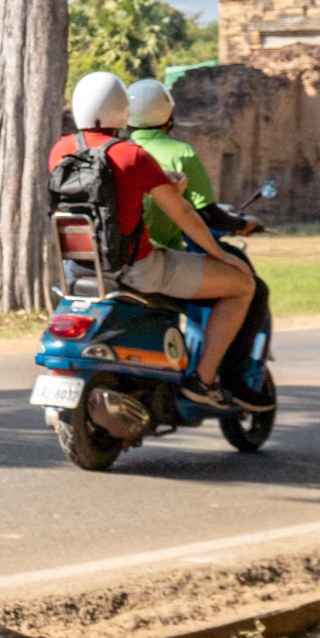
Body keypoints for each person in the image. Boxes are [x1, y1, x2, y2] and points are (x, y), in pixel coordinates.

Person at [48, 71, 258, 408]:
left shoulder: (61, 151)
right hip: (138, 269)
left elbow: (106, 193)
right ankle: (204, 381)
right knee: (242, 285)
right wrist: (221, 254)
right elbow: (184, 215)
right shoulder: (132, 155)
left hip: (81, 270)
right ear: (121, 110)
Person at [124, 79, 213, 248]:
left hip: (121, 252)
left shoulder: (117, 152)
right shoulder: (181, 153)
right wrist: (241, 224)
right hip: (161, 253)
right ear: (168, 115)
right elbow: (207, 212)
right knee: (237, 271)